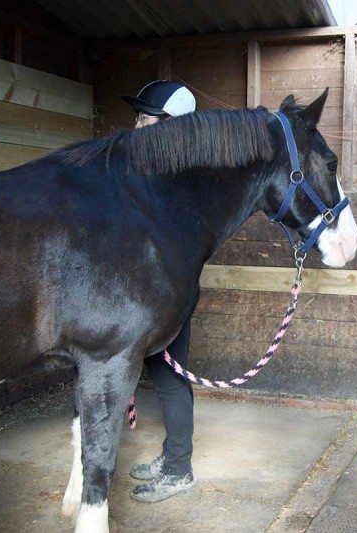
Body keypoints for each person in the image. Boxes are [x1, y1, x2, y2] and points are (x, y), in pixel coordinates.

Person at [121, 80, 199, 503]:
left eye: (144, 118)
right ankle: (173, 457)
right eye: (137, 116)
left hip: (167, 296)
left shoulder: (178, 180)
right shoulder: (154, 172)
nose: (136, 126)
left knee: (170, 381)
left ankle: (179, 470)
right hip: (145, 296)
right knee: (161, 378)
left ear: (171, 125)